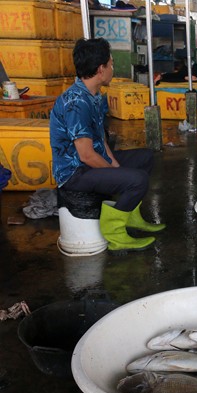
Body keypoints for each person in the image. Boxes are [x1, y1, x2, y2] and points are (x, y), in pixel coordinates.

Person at [50, 38, 164, 253]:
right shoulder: (76, 103)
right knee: (137, 180)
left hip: (89, 162)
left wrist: (114, 165)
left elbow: (99, 139)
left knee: (145, 157)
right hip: (74, 172)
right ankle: (114, 231)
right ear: (101, 69)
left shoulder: (93, 95)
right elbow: (86, 155)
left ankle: (131, 216)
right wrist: (116, 173)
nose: (113, 68)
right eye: (111, 64)